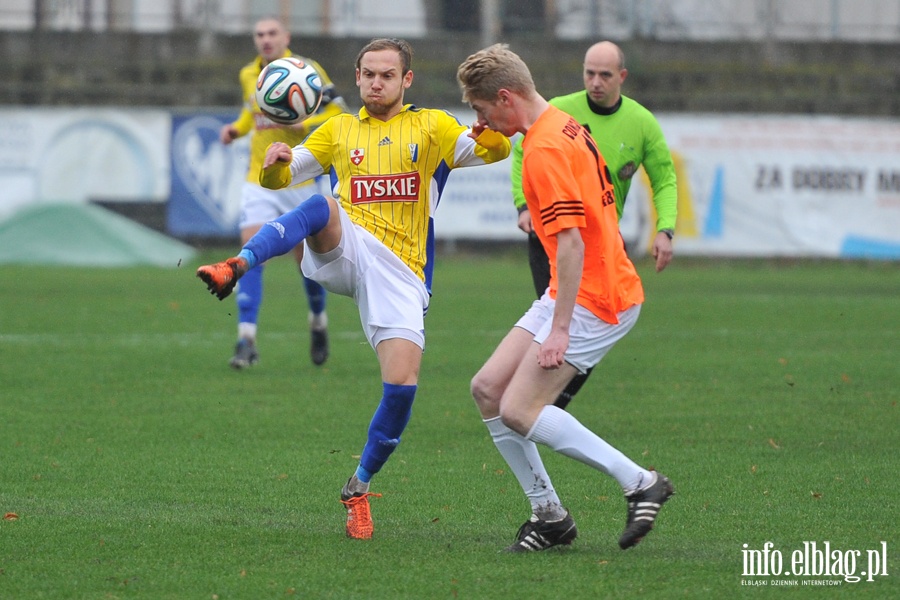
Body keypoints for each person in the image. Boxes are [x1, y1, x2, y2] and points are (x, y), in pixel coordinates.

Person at [197, 38, 510, 540]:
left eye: (387, 75)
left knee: (402, 388)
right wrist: (276, 160)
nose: (376, 82)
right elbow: (279, 180)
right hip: (348, 248)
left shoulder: (432, 126)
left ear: (406, 80)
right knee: (323, 206)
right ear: (357, 77)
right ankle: (237, 264)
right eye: (368, 74)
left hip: (403, 273)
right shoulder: (337, 130)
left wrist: (490, 134)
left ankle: (358, 487)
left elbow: (494, 151)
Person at [457, 44, 673, 552]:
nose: (480, 119)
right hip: (578, 286)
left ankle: (641, 482)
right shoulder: (562, 122)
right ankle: (550, 516)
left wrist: (559, 328)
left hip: (598, 296)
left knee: (519, 409)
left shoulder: (545, 148)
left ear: (505, 97)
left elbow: (572, 242)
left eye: (480, 108)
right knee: (488, 388)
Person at [510, 40, 678, 409]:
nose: (595, 81)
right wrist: (523, 205)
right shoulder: (559, 110)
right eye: (589, 73)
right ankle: (539, 404)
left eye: (604, 74)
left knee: (581, 330)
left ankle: (544, 404)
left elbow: (664, 178)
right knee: (558, 320)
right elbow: (522, 148)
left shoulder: (640, 122)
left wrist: (665, 229)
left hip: (601, 244)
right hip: (552, 237)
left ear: (622, 76)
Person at [219, 16, 347, 369]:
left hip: (300, 177)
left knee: (307, 266)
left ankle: (318, 323)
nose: (265, 39)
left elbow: (339, 114)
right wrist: (236, 130)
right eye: (259, 34)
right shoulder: (249, 74)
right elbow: (251, 112)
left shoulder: (306, 71)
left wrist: (307, 123)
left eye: (272, 33)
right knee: (251, 254)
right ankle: (246, 340)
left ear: (285, 37)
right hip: (259, 178)